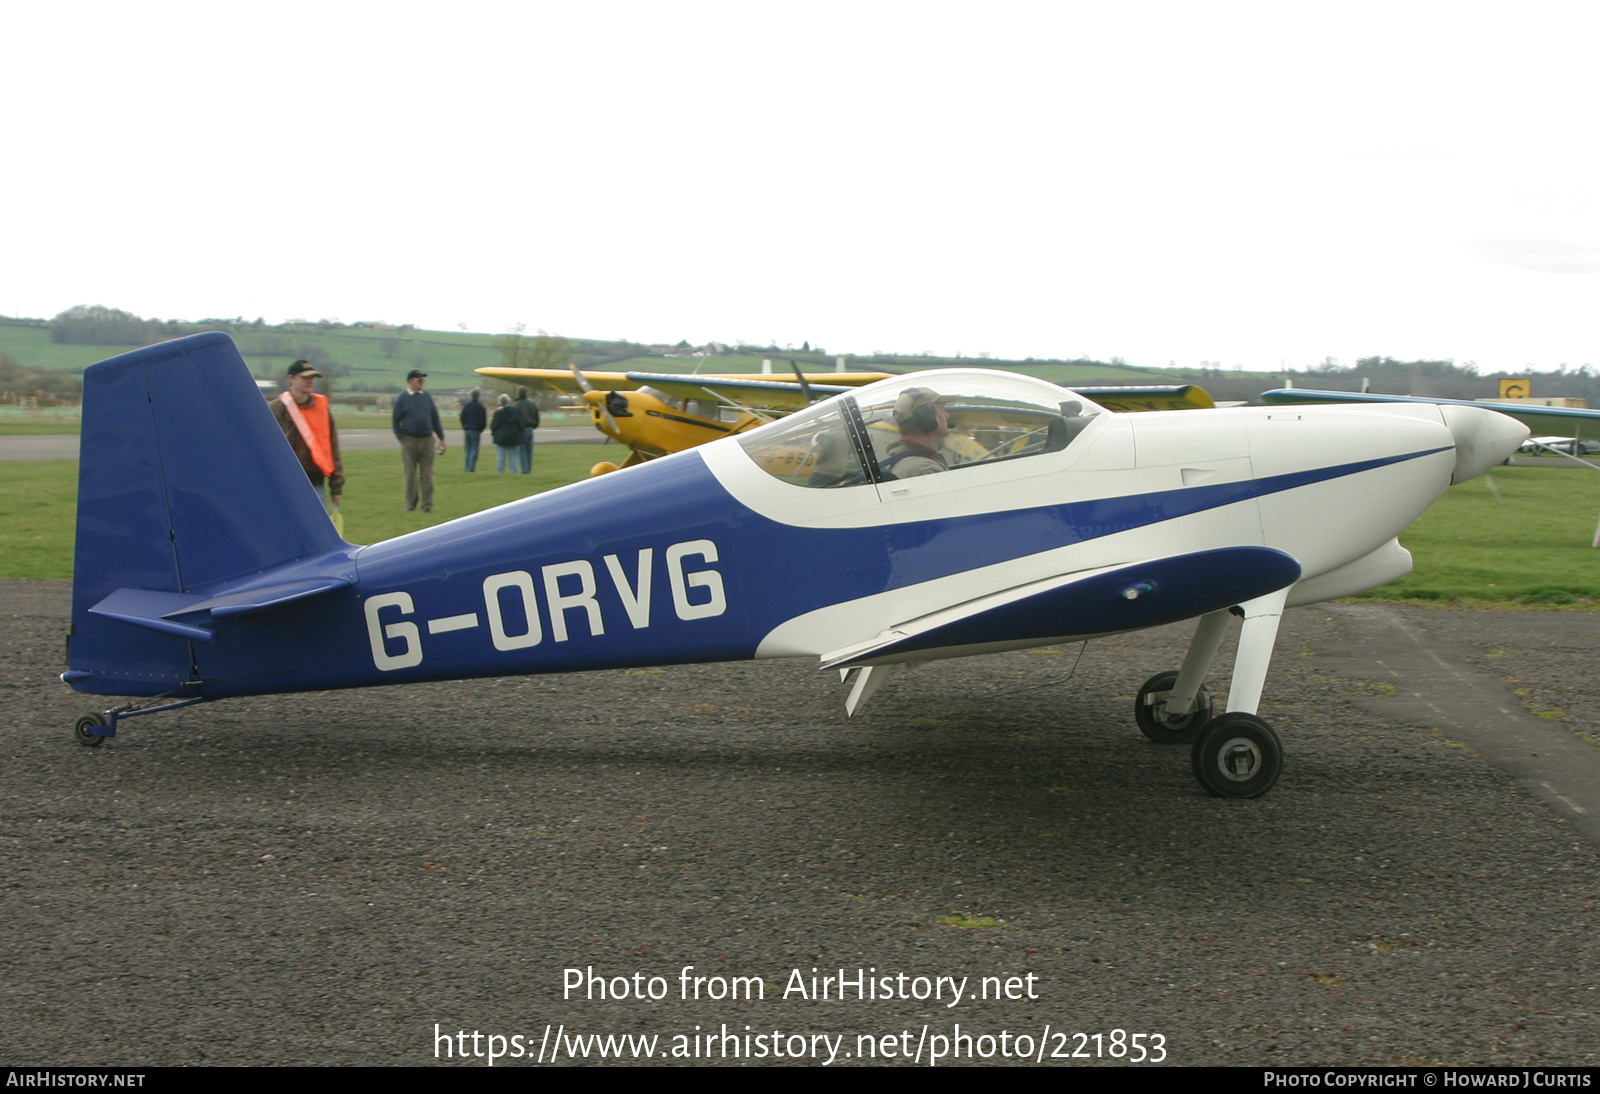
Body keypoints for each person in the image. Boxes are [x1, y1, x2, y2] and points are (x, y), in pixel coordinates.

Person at [271, 360, 344, 519]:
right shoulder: (275, 410)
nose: (310, 381)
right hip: (284, 483)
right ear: (291, 379)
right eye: (305, 377)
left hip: (316, 483)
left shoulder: (322, 409)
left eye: (313, 377)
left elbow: (332, 448)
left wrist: (336, 487)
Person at [392, 368, 445, 512]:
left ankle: (427, 504)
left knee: (427, 475)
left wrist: (441, 437)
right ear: (411, 381)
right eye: (419, 380)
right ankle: (410, 504)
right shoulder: (402, 398)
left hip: (427, 440)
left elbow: (434, 418)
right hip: (409, 440)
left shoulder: (427, 397)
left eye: (423, 380)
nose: (422, 383)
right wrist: (401, 438)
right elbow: (396, 421)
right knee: (410, 474)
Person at [881, 387, 951, 478]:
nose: (947, 415)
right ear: (927, 418)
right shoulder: (926, 470)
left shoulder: (905, 463)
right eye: (942, 410)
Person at [489, 393, 524, 474]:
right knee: (514, 456)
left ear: (500, 402)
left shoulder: (498, 413)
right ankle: (514, 471)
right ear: (508, 401)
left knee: (501, 456)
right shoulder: (515, 411)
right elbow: (521, 424)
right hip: (514, 436)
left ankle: (500, 471)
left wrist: (495, 434)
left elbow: (494, 426)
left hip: (501, 437)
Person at [513, 386, 541, 473]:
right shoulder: (532, 403)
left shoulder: (517, 404)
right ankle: (528, 467)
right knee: (529, 449)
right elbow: (536, 416)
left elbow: (515, 418)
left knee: (523, 450)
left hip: (522, 429)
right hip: (530, 428)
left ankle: (525, 469)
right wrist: (535, 425)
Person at [460, 389, 487, 472]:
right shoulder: (480, 407)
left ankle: (467, 466)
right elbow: (483, 420)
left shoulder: (466, 406)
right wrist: (481, 429)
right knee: (474, 449)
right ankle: (471, 468)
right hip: (475, 430)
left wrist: (464, 426)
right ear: (478, 396)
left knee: (467, 449)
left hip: (467, 429)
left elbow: (462, 417)